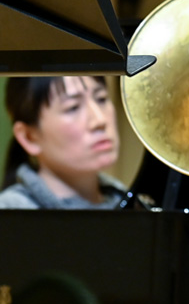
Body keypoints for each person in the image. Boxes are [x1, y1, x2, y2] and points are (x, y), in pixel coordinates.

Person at [1, 76, 125, 209]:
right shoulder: (11, 215)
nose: (100, 120)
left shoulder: (134, 203)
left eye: (101, 99)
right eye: (73, 107)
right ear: (29, 137)